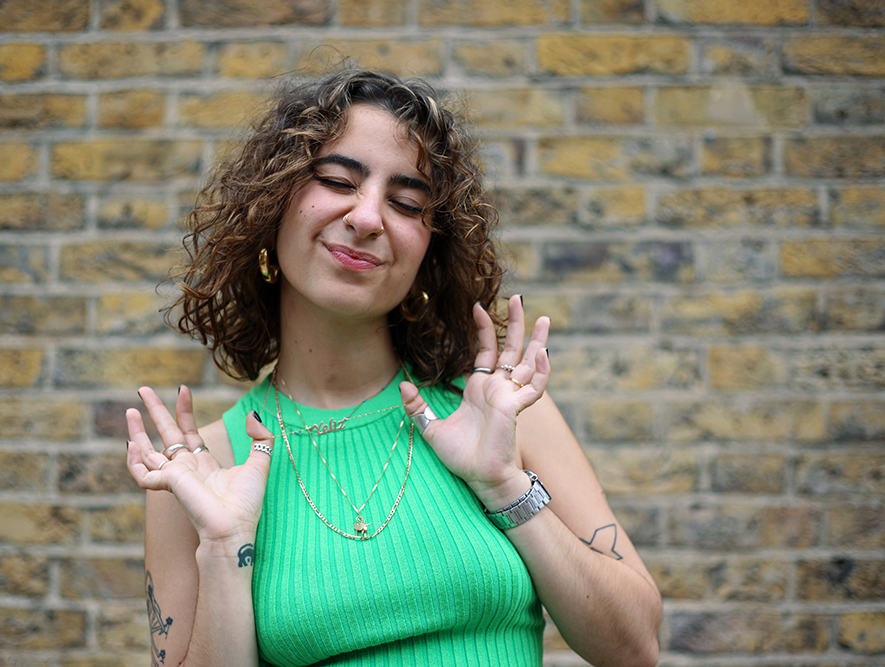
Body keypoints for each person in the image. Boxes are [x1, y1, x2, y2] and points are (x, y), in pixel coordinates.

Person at [125, 69, 661, 667]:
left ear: (429, 252)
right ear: (270, 210)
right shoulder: (201, 472)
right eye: (337, 181)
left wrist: (504, 485)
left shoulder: (502, 415)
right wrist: (225, 547)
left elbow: (635, 647)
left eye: (406, 204)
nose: (368, 217)